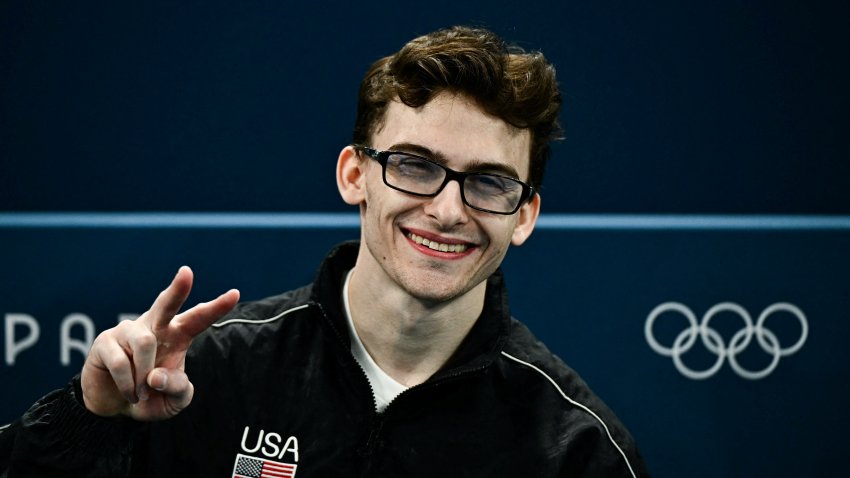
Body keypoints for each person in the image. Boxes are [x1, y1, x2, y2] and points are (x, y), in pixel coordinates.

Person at [0, 26, 649, 477]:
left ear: (525, 213)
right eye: (416, 166)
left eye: (489, 182)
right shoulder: (206, 377)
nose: (449, 210)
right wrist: (90, 417)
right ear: (353, 175)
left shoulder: (574, 448)